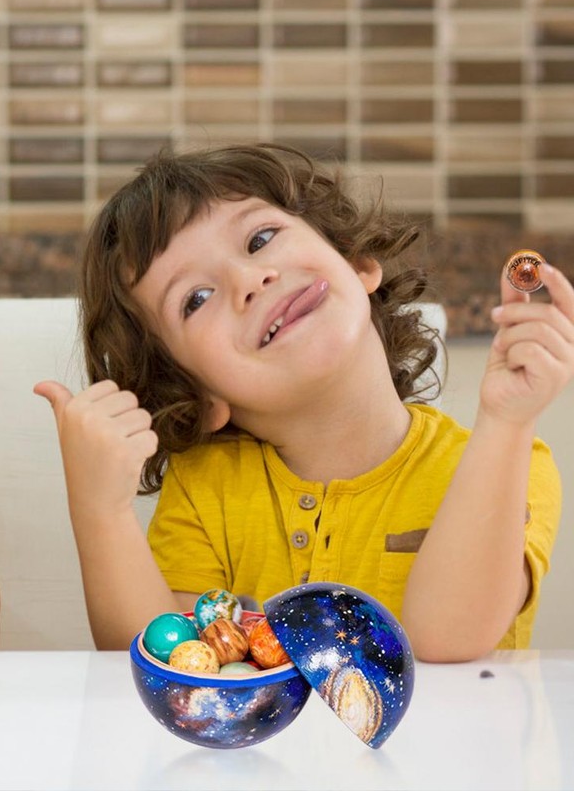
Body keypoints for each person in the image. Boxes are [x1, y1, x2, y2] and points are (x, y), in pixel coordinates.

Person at [36, 142, 572, 663]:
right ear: (196, 394)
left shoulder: (511, 462)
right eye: (196, 299)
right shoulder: (206, 488)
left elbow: (444, 641)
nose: (250, 279)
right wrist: (100, 510)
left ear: (358, 262)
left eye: (260, 238)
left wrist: (505, 420)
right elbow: (170, 670)